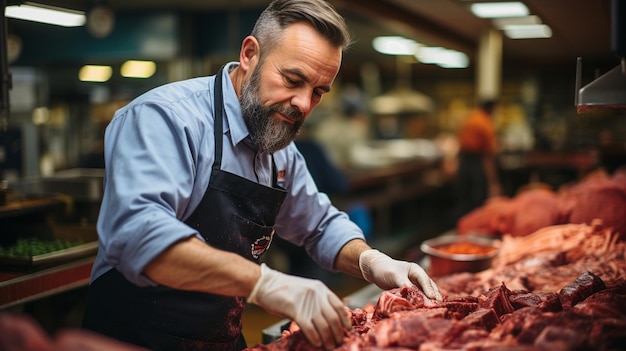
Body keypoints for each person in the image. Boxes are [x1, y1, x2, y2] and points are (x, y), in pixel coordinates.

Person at [82, 1, 442, 350]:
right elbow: (139, 235)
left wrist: (372, 261)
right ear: (250, 54)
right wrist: (266, 284)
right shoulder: (166, 119)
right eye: (293, 79)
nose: (303, 103)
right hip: (132, 339)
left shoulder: (278, 147)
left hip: (219, 339)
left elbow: (318, 225)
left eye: (318, 92)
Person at [455, 99, 501, 218]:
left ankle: (462, 226)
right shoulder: (485, 123)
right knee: (478, 200)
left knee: (464, 198)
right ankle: (475, 230)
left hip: (464, 163)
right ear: (491, 109)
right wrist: (493, 182)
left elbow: (459, 144)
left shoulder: (469, 118)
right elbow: (488, 155)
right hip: (477, 163)